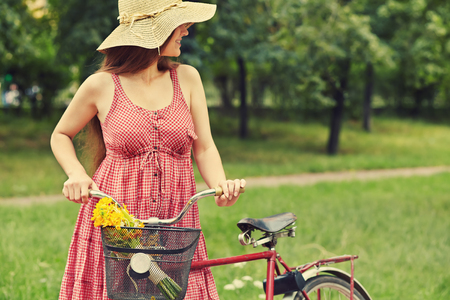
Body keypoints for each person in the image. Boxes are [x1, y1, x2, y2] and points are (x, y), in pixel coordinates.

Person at [50, 0, 246, 299]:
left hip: (176, 221)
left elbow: (204, 147)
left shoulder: (188, 78)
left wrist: (220, 186)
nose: (187, 30)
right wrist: (76, 173)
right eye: (179, 23)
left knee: (174, 291)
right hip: (116, 218)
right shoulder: (101, 85)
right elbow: (61, 134)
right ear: (154, 32)